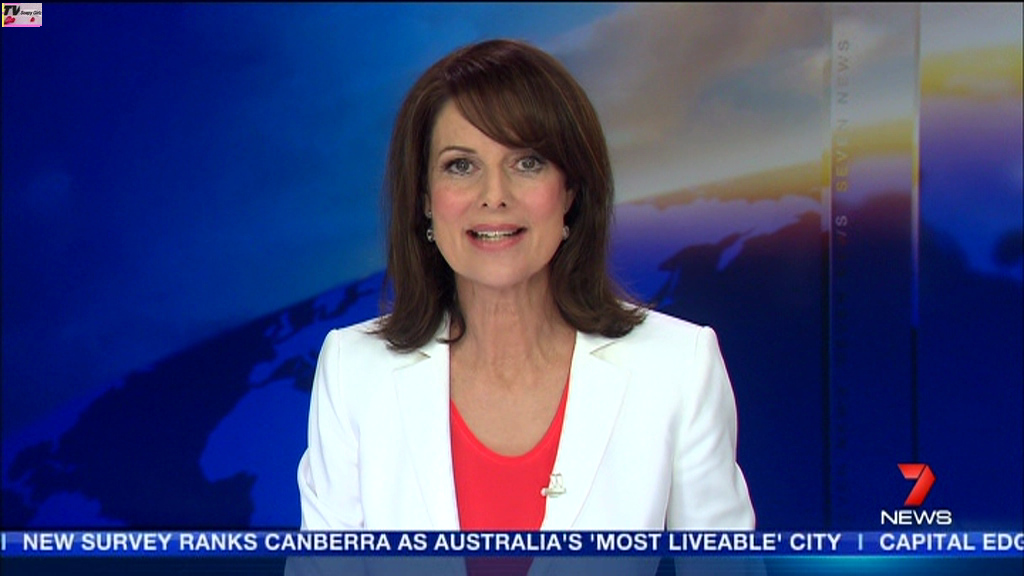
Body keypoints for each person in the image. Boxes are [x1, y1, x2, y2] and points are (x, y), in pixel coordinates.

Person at [296, 38, 754, 531]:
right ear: (425, 197)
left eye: (527, 162)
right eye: (461, 166)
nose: (494, 196)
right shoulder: (353, 373)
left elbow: (721, 565)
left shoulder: (677, 368)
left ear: (571, 191)